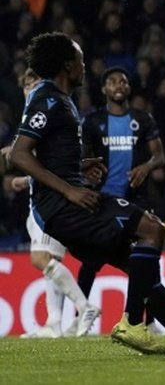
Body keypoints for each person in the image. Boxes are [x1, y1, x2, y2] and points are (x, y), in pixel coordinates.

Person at [8, 32, 165, 354]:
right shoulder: (48, 100)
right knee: (152, 228)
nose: (85, 66)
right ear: (67, 65)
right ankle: (131, 323)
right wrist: (70, 190)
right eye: (81, 61)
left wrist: (81, 166)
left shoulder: (60, 100)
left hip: (65, 203)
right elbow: (18, 154)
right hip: (62, 207)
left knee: (139, 267)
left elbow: (49, 153)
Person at [3, 68, 99, 338]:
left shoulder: (48, 112)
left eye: (35, 82)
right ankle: (54, 322)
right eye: (26, 83)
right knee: (51, 264)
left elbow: (54, 160)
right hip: (38, 199)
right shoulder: (30, 118)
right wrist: (26, 180)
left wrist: (26, 177)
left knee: (41, 258)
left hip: (51, 200)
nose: (30, 86)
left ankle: (85, 306)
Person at [77, 65, 165, 323]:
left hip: (136, 199)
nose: (118, 85)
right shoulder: (92, 122)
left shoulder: (143, 119)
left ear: (128, 87)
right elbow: (81, 158)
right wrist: (86, 171)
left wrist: (147, 166)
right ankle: (79, 315)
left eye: (123, 81)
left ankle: (148, 320)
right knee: (91, 260)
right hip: (102, 200)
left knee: (147, 258)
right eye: (112, 81)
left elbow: (159, 156)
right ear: (104, 89)